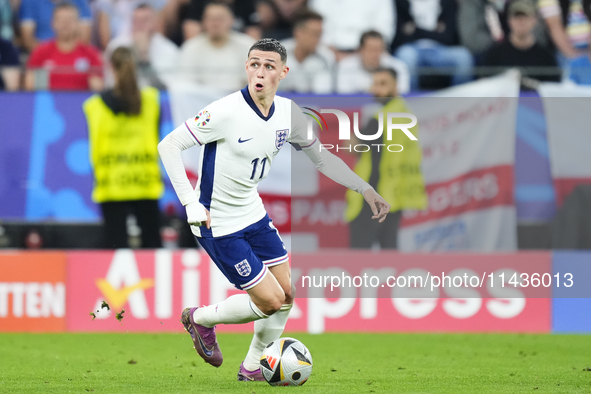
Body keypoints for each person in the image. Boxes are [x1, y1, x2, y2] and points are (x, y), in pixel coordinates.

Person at [158, 38, 390, 380]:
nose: (260, 72)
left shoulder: (288, 113)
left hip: (252, 213)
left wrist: (364, 187)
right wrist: (190, 203)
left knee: (286, 296)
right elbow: (170, 145)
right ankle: (201, 319)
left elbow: (322, 157)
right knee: (268, 300)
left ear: (283, 72)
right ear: (246, 68)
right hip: (216, 221)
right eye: (254, 64)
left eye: (269, 66)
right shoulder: (225, 111)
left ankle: (252, 368)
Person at [84, 46, 164, 249]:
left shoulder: (94, 106)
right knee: (152, 247)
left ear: (110, 67)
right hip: (145, 181)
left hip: (111, 183)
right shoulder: (152, 100)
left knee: (115, 249)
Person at [345, 67, 427, 249]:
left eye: (383, 84)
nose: (377, 89)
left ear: (395, 87)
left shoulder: (379, 119)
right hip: (395, 196)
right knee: (389, 253)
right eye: (375, 84)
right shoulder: (407, 115)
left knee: (359, 257)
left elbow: (351, 147)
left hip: (372, 196)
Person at [393, 0, 474, 90]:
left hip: (441, 49)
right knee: (405, 55)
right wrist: (435, 32)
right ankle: (411, 101)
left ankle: (461, 102)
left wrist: (415, 29)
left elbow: (449, 37)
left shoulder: (447, 2)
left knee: (463, 56)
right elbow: (399, 38)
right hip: (412, 48)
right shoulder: (400, 2)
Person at [25, 2, 103, 91]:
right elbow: (31, 87)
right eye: (60, 20)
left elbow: (97, 89)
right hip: (48, 102)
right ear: (52, 23)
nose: (65, 24)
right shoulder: (41, 52)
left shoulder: (90, 54)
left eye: (70, 20)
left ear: (78, 23)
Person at [178, 1, 254, 91]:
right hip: (202, 99)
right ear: (203, 21)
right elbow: (185, 81)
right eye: (211, 19)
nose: (216, 23)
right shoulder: (191, 47)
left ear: (232, 20)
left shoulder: (247, 45)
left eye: (220, 19)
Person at [105, 3, 179, 89]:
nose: (139, 25)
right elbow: (111, 85)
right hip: (124, 100)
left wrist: (144, 59)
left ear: (155, 23)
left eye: (144, 20)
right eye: (135, 21)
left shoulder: (169, 50)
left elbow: (165, 90)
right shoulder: (116, 46)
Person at [484, 0, 561, 82]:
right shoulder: (494, 55)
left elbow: (553, 89)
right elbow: (485, 85)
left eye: (525, 16)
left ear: (534, 20)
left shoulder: (546, 58)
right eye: (516, 16)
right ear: (509, 20)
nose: (521, 21)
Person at [309, 0, 395, 60]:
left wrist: (361, 52)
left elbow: (384, 28)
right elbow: (313, 22)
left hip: (366, 52)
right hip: (328, 51)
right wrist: (332, 51)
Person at [337, 30, 411, 95]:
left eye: (379, 49)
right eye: (371, 50)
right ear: (361, 50)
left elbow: (402, 94)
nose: (375, 54)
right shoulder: (345, 66)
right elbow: (344, 96)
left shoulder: (398, 67)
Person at [279, 9, 335, 94]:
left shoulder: (326, 58)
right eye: (315, 34)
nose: (318, 39)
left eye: (320, 35)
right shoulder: (276, 54)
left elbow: (323, 95)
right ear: (298, 33)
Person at [19, 0, 93, 52]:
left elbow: (84, 37)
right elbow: (27, 39)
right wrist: (50, 53)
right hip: (41, 53)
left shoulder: (81, 2)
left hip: (77, 54)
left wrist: (67, 52)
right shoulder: (29, 2)